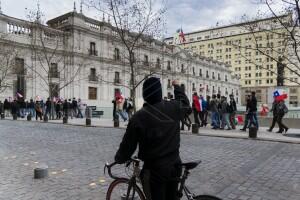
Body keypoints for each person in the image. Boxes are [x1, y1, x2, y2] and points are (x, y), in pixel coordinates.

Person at [114, 77, 190, 200]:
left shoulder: (138, 117)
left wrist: (119, 158)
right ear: (160, 92)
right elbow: (186, 104)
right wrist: (177, 87)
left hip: (155, 171)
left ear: (145, 94)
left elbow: (127, 146)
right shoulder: (173, 107)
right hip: (175, 165)